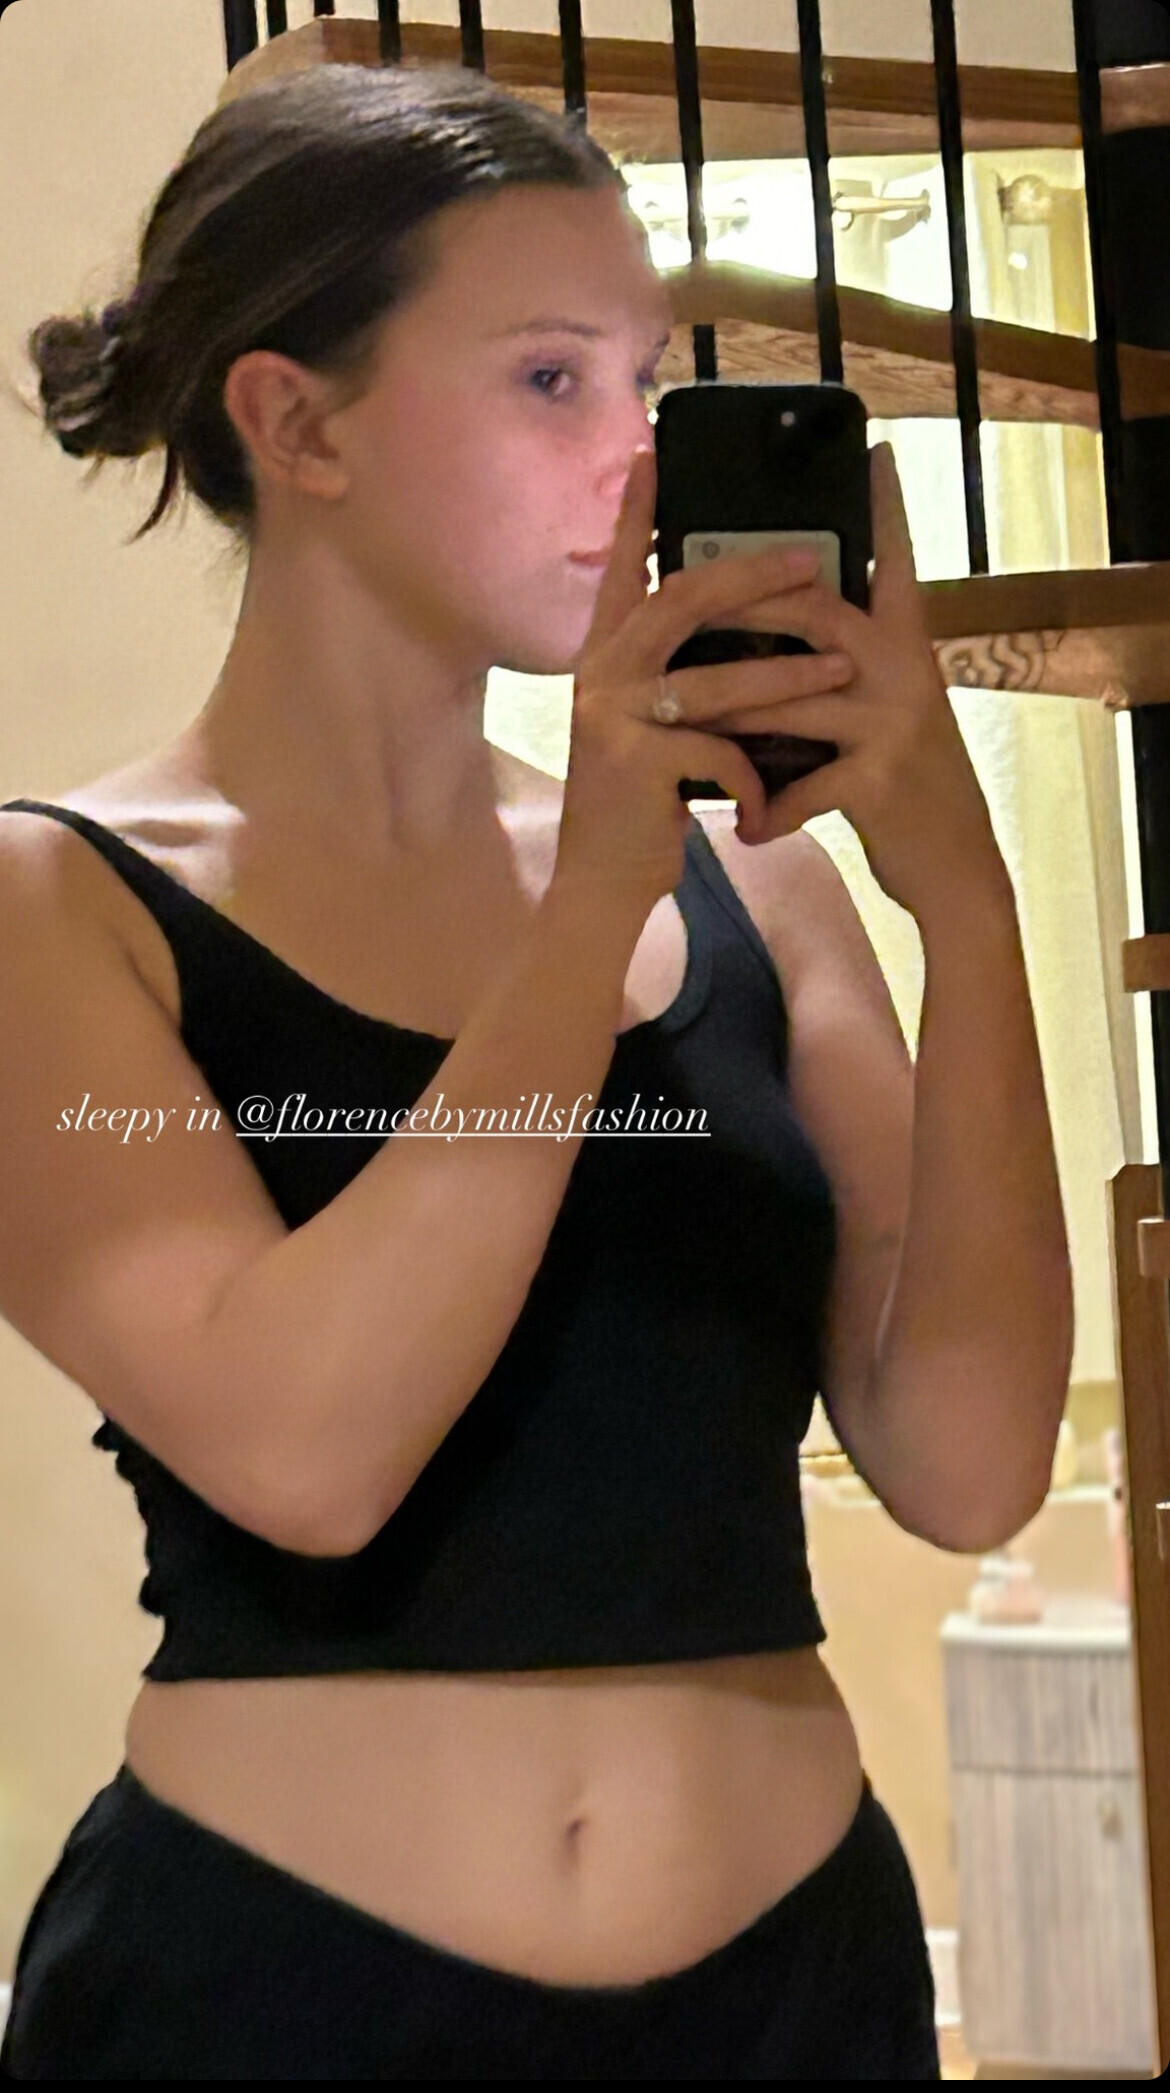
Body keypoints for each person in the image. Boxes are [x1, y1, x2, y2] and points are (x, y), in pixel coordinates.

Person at [0, 59, 1072, 2082]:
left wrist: (966, 904)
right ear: (296, 421)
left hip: (796, 1993)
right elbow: (311, 1456)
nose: (635, 456)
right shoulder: (58, 906)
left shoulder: (761, 895)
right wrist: (583, 917)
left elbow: (968, 1464)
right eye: (550, 379)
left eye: (647, 379)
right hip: (276, 1998)